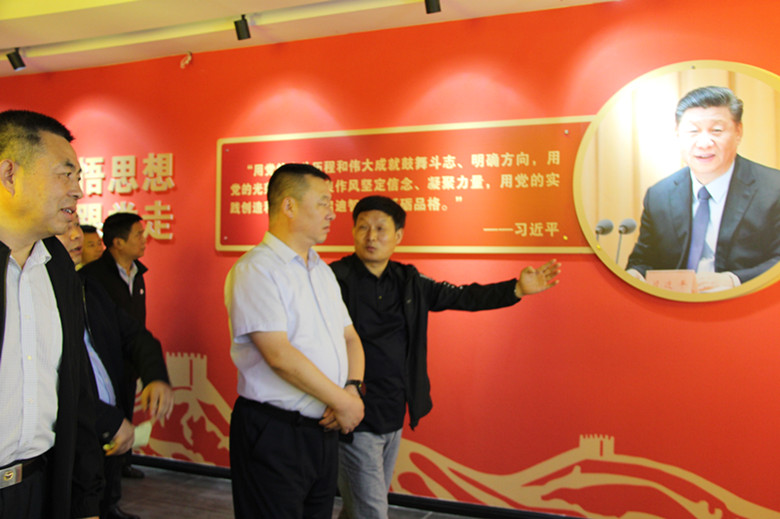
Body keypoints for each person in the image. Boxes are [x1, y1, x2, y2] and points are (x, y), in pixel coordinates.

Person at [329, 195, 561, 519]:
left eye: (381, 229)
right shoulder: (333, 279)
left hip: (393, 410)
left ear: (398, 236)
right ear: (353, 231)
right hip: (353, 412)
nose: (371, 236)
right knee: (371, 510)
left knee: (362, 505)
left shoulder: (409, 281)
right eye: (363, 227)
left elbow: (461, 296)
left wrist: (516, 289)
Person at [224, 163, 365, 519]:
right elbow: (279, 355)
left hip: (322, 430)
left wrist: (352, 388)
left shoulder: (322, 270)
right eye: (323, 202)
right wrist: (344, 403)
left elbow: (350, 338)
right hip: (275, 432)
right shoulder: (256, 269)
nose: (332, 213)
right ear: (288, 205)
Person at [0, 109, 103, 519]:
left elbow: (77, 394)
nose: (78, 191)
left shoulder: (59, 269)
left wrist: (86, 501)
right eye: (65, 175)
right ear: (9, 174)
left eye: (78, 177)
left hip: (40, 489)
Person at [56, 215, 174, 519]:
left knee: (103, 488)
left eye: (77, 225)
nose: (76, 236)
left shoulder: (88, 288)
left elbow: (134, 334)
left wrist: (155, 377)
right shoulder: (38, 297)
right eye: (65, 226)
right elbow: (59, 381)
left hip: (109, 414)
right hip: (75, 429)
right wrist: (107, 419)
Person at [626, 86, 780, 291]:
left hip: (747, 302)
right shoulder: (659, 195)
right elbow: (643, 261)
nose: (704, 143)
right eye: (693, 131)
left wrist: (734, 280)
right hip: (676, 305)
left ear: (738, 132)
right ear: (677, 134)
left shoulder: (773, 188)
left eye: (717, 131)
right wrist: (635, 273)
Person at [80, 212, 151, 479]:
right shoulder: (94, 278)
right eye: (138, 234)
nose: (144, 240)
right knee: (105, 419)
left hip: (128, 364)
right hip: (104, 365)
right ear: (118, 242)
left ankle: (121, 468)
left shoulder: (138, 274)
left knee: (125, 411)